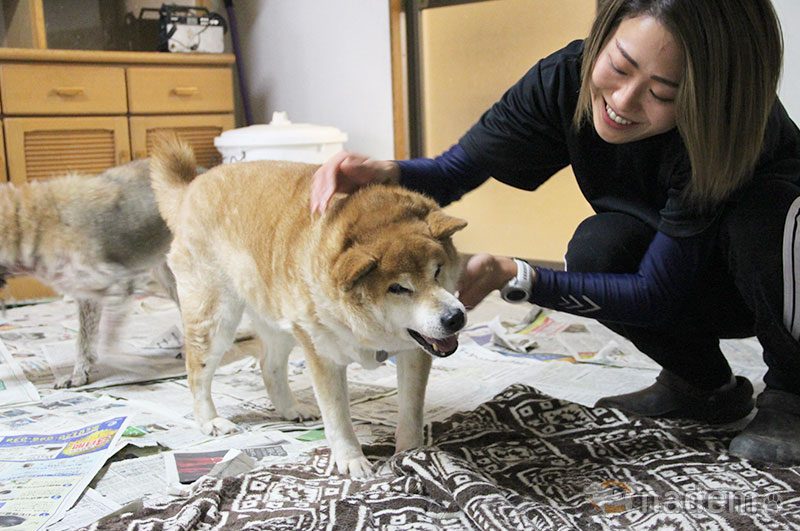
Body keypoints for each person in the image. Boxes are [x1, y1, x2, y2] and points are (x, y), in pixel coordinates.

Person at [310, 0, 800, 465]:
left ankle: (792, 394)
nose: (623, 100)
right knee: (597, 249)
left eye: (662, 93)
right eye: (621, 65)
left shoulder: (729, 128)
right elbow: (457, 168)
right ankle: (704, 387)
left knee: (766, 218)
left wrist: (519, 274)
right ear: (604, 32)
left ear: (706, 97)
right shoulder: (564, 79)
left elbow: (658, 292)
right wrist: (388, 171)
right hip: (682, 260)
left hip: (770, 278)